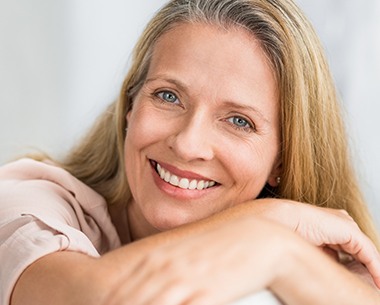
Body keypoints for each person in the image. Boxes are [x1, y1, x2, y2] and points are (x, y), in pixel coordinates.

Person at [1, 0, 380, 304]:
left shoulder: (307, 257)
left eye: (238, 121)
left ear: (282, 160)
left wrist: (277, 250)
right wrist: (265, 235)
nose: (187, 143)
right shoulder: (26, 204)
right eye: (168, 96)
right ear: (130, 106)